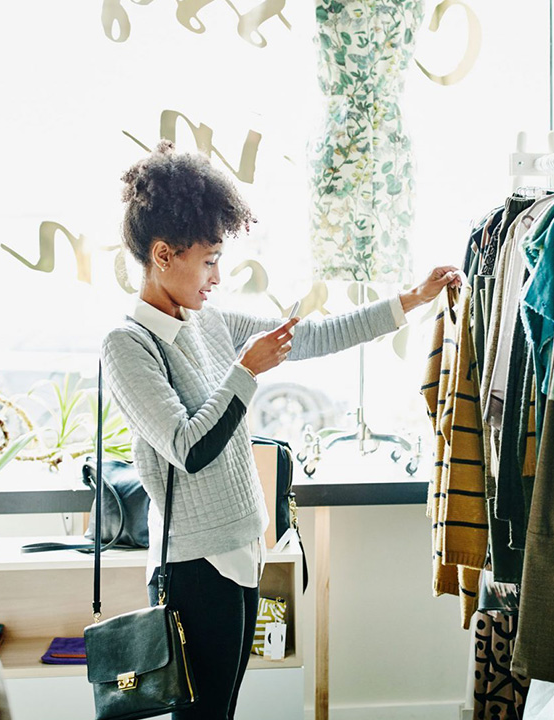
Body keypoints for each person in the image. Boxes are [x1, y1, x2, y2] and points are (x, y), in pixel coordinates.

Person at [100, 140, 459, 719]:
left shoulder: (206, 321)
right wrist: (246, 371)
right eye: (209, 259)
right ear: (163, 254)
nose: (217, 275)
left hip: (245, 551)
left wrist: (410, 301)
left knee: (223, 710)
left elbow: (310, 335)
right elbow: (190, 450)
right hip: (194, 569)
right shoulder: (128, 344)